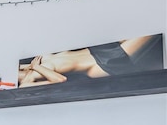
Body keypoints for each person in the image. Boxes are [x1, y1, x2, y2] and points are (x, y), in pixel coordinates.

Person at [18, 34, 161, 87]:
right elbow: (60, 80)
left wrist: (34, 66)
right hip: (100, 64)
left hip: (98, 50)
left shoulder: (25, 67)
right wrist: (38, 67)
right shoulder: (26, 82)